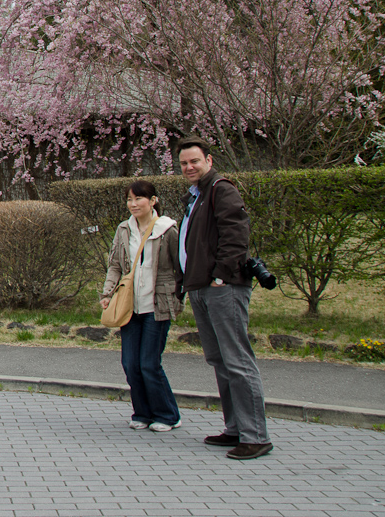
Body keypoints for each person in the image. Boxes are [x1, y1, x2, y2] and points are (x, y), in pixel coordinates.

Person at [177, 136, 272, 459]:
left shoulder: (221, 189)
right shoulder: (196, 196)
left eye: (195, 161)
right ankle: (235, 428)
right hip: (201, 287)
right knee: (219, 360)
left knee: (237, 360)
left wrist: (220, 275)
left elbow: (236, 233)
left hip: (223, 287)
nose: (189, 167)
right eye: (184, 163)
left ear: (209, 160)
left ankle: (255, 436)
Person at [101, 180, 183, 432]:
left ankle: (168, 414)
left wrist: (178, 298)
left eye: (139, 198)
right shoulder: (124, 229)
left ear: (153, 201)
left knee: (149, 363)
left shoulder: (167, 230)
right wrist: (107, 293)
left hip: (157, 305)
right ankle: (143, 412)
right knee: (130, 364)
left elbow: (180, 267)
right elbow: (115, 263)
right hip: (130, 305)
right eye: (129, 199)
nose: (133, 204)